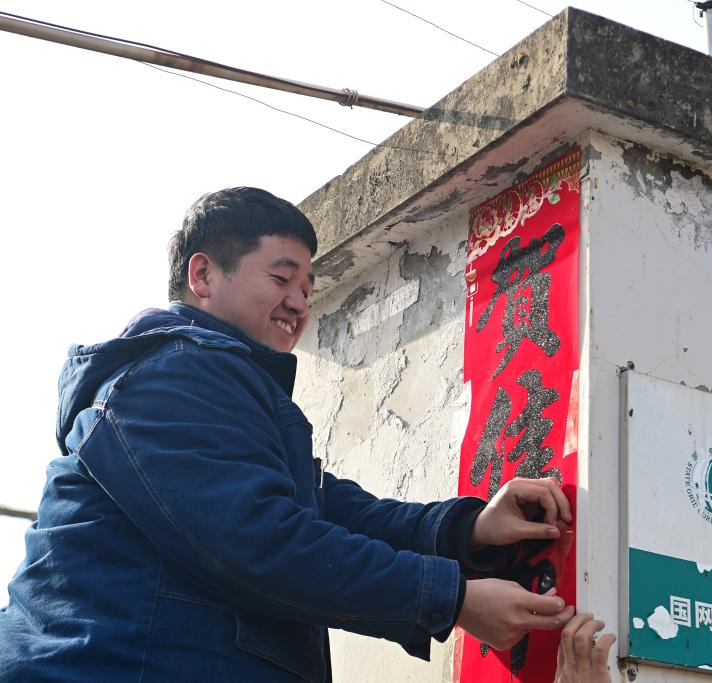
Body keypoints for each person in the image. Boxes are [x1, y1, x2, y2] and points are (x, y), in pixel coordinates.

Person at [0, 187, 576, 681]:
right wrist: (452, 599)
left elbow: (335, 514)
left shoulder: (220, 389)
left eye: (307, 286)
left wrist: (468, 529)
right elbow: (258, 541)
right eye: (282, 278)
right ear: (203, 275)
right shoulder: (168, 378)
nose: (299, 303)